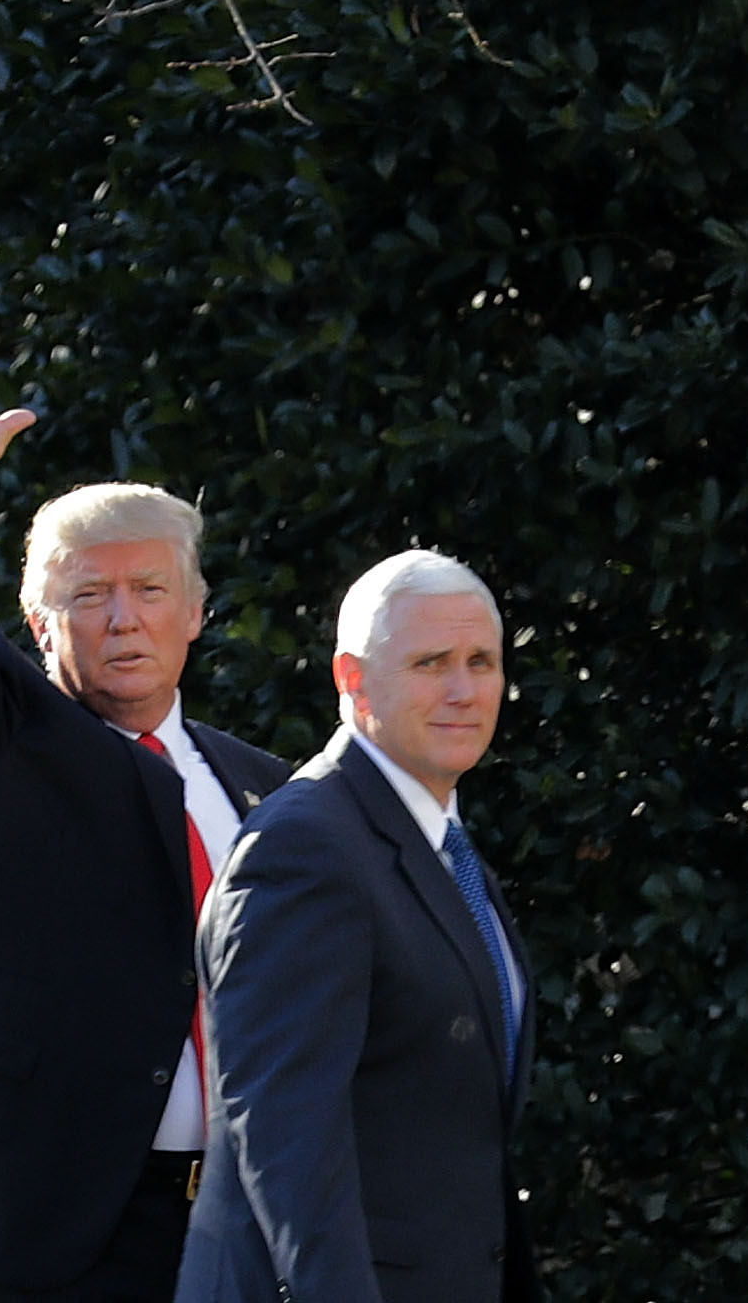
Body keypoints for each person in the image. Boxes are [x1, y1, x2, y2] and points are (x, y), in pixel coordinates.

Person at [0, 308, 292, 1303]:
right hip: (32, 1226)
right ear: (38, 623)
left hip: (235, 1226)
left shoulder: (270, 789)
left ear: (196, 610)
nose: (123, 616)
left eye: (149, 588)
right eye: (89, 595)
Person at [178, 550, 538, 1303]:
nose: (464, 690)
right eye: (431, 663)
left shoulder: (439, 842)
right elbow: (285, 1137)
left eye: (482, 661)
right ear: (351, 678)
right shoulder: (304, 848)